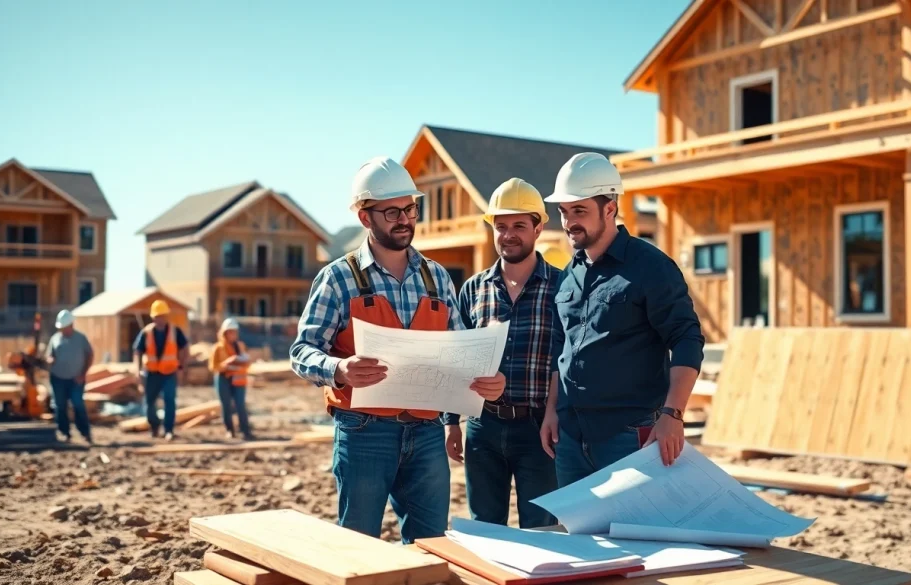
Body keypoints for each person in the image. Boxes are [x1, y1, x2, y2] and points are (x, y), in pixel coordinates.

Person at [289, 156, 506, 544]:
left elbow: (459, 353)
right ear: (364, 217)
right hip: (363, 432)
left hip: (425, 434)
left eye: (410, 208)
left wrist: (486, 380)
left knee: (432, 546)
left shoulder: (436, 276)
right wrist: (339, 369)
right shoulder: (338, 278)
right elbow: (302, 351)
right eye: (392, 211)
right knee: (358, 546)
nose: (405, 219)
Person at [541, 152, 705, 487]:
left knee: (633, 536)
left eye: (580, 211)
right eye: (564, 212)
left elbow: (686, 338)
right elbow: (561, 348)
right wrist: (551, 411)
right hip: (570, 438)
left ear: (610, 209)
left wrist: (673, 414)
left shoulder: (651, 267)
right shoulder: (569, 274)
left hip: (630, 439)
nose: (570, 221)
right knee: (577, 537)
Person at [444, 178, 563, 529]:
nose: (508, 235)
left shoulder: (563, 287)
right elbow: (457, 357)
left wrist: (559, 416)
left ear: (538, 228)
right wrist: (451, 423)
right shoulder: (472, 289)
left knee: (543, 528)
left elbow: (568, 361)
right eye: (500, 226)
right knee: (485, 527)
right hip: (483, 426)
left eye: (518, 226)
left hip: (540, 427)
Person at [132, 300, 189, 441]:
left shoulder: (175, 331)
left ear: (166, 316)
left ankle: (168, 430)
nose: (160, 319)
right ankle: (154, 427)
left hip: (169, 372)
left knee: (169, 401)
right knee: (149, 403)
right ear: (153, 317)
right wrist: (137, 371)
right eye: (158, 316)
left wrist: (181, 366)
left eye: (162, 316)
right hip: (151, 373)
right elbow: (137, 352)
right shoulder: (146, 333)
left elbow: (185, 348)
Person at [45, 309, 94, 444]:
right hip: (58, 378)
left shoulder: (81, 338)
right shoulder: (55, 339)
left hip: (76, 379)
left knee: (78, 404)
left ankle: (85, 432)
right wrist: (50, 360)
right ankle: (64, 432)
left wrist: (83, 374)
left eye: (65, 327)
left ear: (71, 325)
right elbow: (50, 355)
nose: (63, 330)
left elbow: (89, 355)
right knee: (60, 406)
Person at [208, 317, 254, 440]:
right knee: (226, 406)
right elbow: (213, 367)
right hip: (223, 379)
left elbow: (247, 362)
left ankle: (245, 430)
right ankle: (230, 430)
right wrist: (226, 365)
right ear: (224, 333)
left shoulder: (240, 346)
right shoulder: (218, 348)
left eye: (234, 332)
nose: (232, 334)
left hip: (238, 380)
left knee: (240, 405)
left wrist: (241, 362)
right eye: (230, 332)